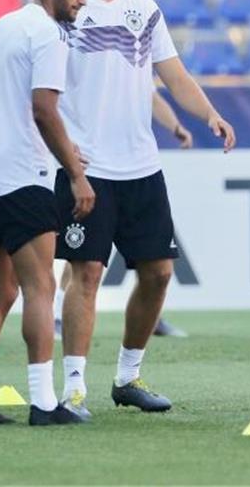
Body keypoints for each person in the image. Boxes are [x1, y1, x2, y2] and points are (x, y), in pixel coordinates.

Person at [54, 0, 236, 421]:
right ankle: (72, 390)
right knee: (86, 273)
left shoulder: (145, 11)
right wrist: (65, 153)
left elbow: (174, 76)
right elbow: (42, 90)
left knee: (157, 272)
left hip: (140, 166)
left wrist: (210, 115)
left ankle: (128, 376)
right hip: (87, 166)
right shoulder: (68, 11)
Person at [0, 0, 104, 426]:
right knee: (40, 289)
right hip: (24, 178)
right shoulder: (48, 36)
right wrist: (76, 175)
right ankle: (43, 403)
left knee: (1, 291)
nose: (84, 0)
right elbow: (44, 110)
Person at [52, 90, 191, 341]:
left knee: (151, 263)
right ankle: (58, 313)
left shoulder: (132, 57)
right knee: (85, 259)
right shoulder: (83, 58)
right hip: (91, 163)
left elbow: (149, 94)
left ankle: (150, 318)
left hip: (132, 166)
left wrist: (175, 125)